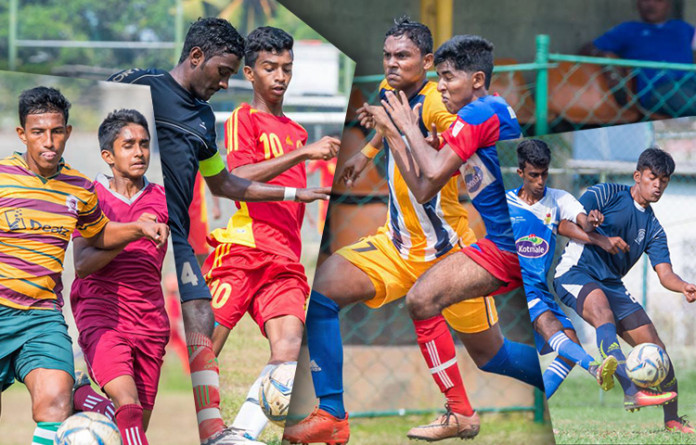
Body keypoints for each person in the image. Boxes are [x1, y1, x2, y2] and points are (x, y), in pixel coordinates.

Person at [284, 23, 542, 445]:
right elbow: (394, 126)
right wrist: (367, 153)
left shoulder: (441, 105)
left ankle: (553, 376)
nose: (391, 62)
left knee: (493, 357)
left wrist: (419, 132)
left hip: (447, 250)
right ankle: (332, 414)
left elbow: (432, 163)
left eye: (402, 56)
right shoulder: (396, 96)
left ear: (426, 62)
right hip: (397, 244)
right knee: (322, 292)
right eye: (387, 55)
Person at [108, 18, 330, 445]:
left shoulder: (204, 119)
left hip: (188, 237)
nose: (225, 84)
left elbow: (224, 183)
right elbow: (100, 114)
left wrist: (294, 193)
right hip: (196, 241)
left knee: (236, 331)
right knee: (179, 338)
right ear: (196, 58)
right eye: (223, 72)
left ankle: (229, 434)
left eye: (287, 67)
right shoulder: (143, 85)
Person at [0, 87, 168, 444]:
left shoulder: (79, 188)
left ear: (68, 132)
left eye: (56, 131)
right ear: (22, 134)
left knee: (56, 401)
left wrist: (137, 228)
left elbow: (99, 234)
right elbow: (88, 259)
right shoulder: (2, 178)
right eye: (38, 132)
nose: (49, 141)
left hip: (42, 317)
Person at [200, 26, 340, 440]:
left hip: (285, 260)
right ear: (249, 73)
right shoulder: (244, 119)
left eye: (286, 68)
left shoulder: (296, 129)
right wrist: (302, 154)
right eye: (269, 68)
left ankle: (240, 435)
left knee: (289, 348)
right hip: (244, 250)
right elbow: (237, 177)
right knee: (205, 347)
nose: (279, 76)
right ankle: (207, 428)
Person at [553, 147, 693, 432]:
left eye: (664, 181)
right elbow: (564, 225)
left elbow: (665, 273)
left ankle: (672, 420)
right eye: (653, 177)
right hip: (576, 272)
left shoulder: (653, 228)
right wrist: (592, 226)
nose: (658, 185)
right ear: (637, 175)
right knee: (602, 310)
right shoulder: (605, 193)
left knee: (659, 351)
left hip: (612, 285)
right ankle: (630, 387)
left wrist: (685, 287)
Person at [70, 109, 168, 445]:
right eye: (129, 145)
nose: (139, 152)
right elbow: (82, 264)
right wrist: (136, 231)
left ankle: (82, 394)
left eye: (144, 143)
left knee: (133, 427)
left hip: (151, 320)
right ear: (108, 156)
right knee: (127, 407)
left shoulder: (164, 199)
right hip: (103, 313)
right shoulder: (89, 197)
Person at [505, 139, 621, 398]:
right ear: (520, 173)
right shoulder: (506, 205)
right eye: (533, 175)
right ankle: (594, 368)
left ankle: (537, 404)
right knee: (552, 329)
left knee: (570, 347)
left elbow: (582, 221)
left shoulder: (558, 200)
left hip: (540, 287)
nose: (540, 181)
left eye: (544, 174)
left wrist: (591, 221)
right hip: (516, 286)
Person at [581, 0, 696, 116]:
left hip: (690, 83)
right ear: (637, 4)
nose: (651, 4)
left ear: (668, 4)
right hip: (657, 90)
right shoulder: (628, 30)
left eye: (658, 0)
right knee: (686, 100)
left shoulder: (682, 28)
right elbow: (587, 49)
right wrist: (606, 60)